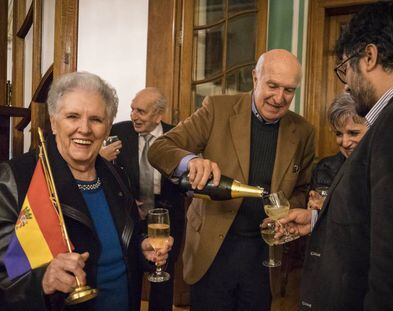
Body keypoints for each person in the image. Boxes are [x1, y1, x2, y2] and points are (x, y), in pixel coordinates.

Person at [148, 49, 315, 310]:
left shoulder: (303, 131)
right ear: (255, 78)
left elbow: (304, 188)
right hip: (212, 252)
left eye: (289, 90)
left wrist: (290, 209)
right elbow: (159, 148)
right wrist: (190, 161)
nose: (280, 98)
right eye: (272, 85)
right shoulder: (217, 109)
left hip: (265, 257)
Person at [277, 2, 393, 310]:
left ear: (369, 57)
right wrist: (316, 220)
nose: (346, 84)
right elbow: (376, 218)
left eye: (345, 69)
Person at [0, 72, 173, 311]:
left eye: (96, 119)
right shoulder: (16, 178)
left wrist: (141, 248)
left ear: (108, 126)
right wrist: (43, 279)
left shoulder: (115, 175)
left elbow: (121, 243)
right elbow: (5, 274)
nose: (84, 129)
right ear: (53, 121)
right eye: (72, 116)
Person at [100, 87, 185, 311]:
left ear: (158, 115)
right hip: (131, 220)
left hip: (167, 219)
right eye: (132, 109)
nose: (134, 116)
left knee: (162, 277)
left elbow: (186, 179)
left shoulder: (177, 136)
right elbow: (103, 176)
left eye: (141, 111)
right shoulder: (118, 133)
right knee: (131, 276)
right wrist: (103, 159)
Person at [307, 92, 367, 210]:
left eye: (353, 133)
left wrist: (331, 209)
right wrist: (313, 213)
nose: (344, 143)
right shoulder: (323, 169)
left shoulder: (386, 170)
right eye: (339, 134)